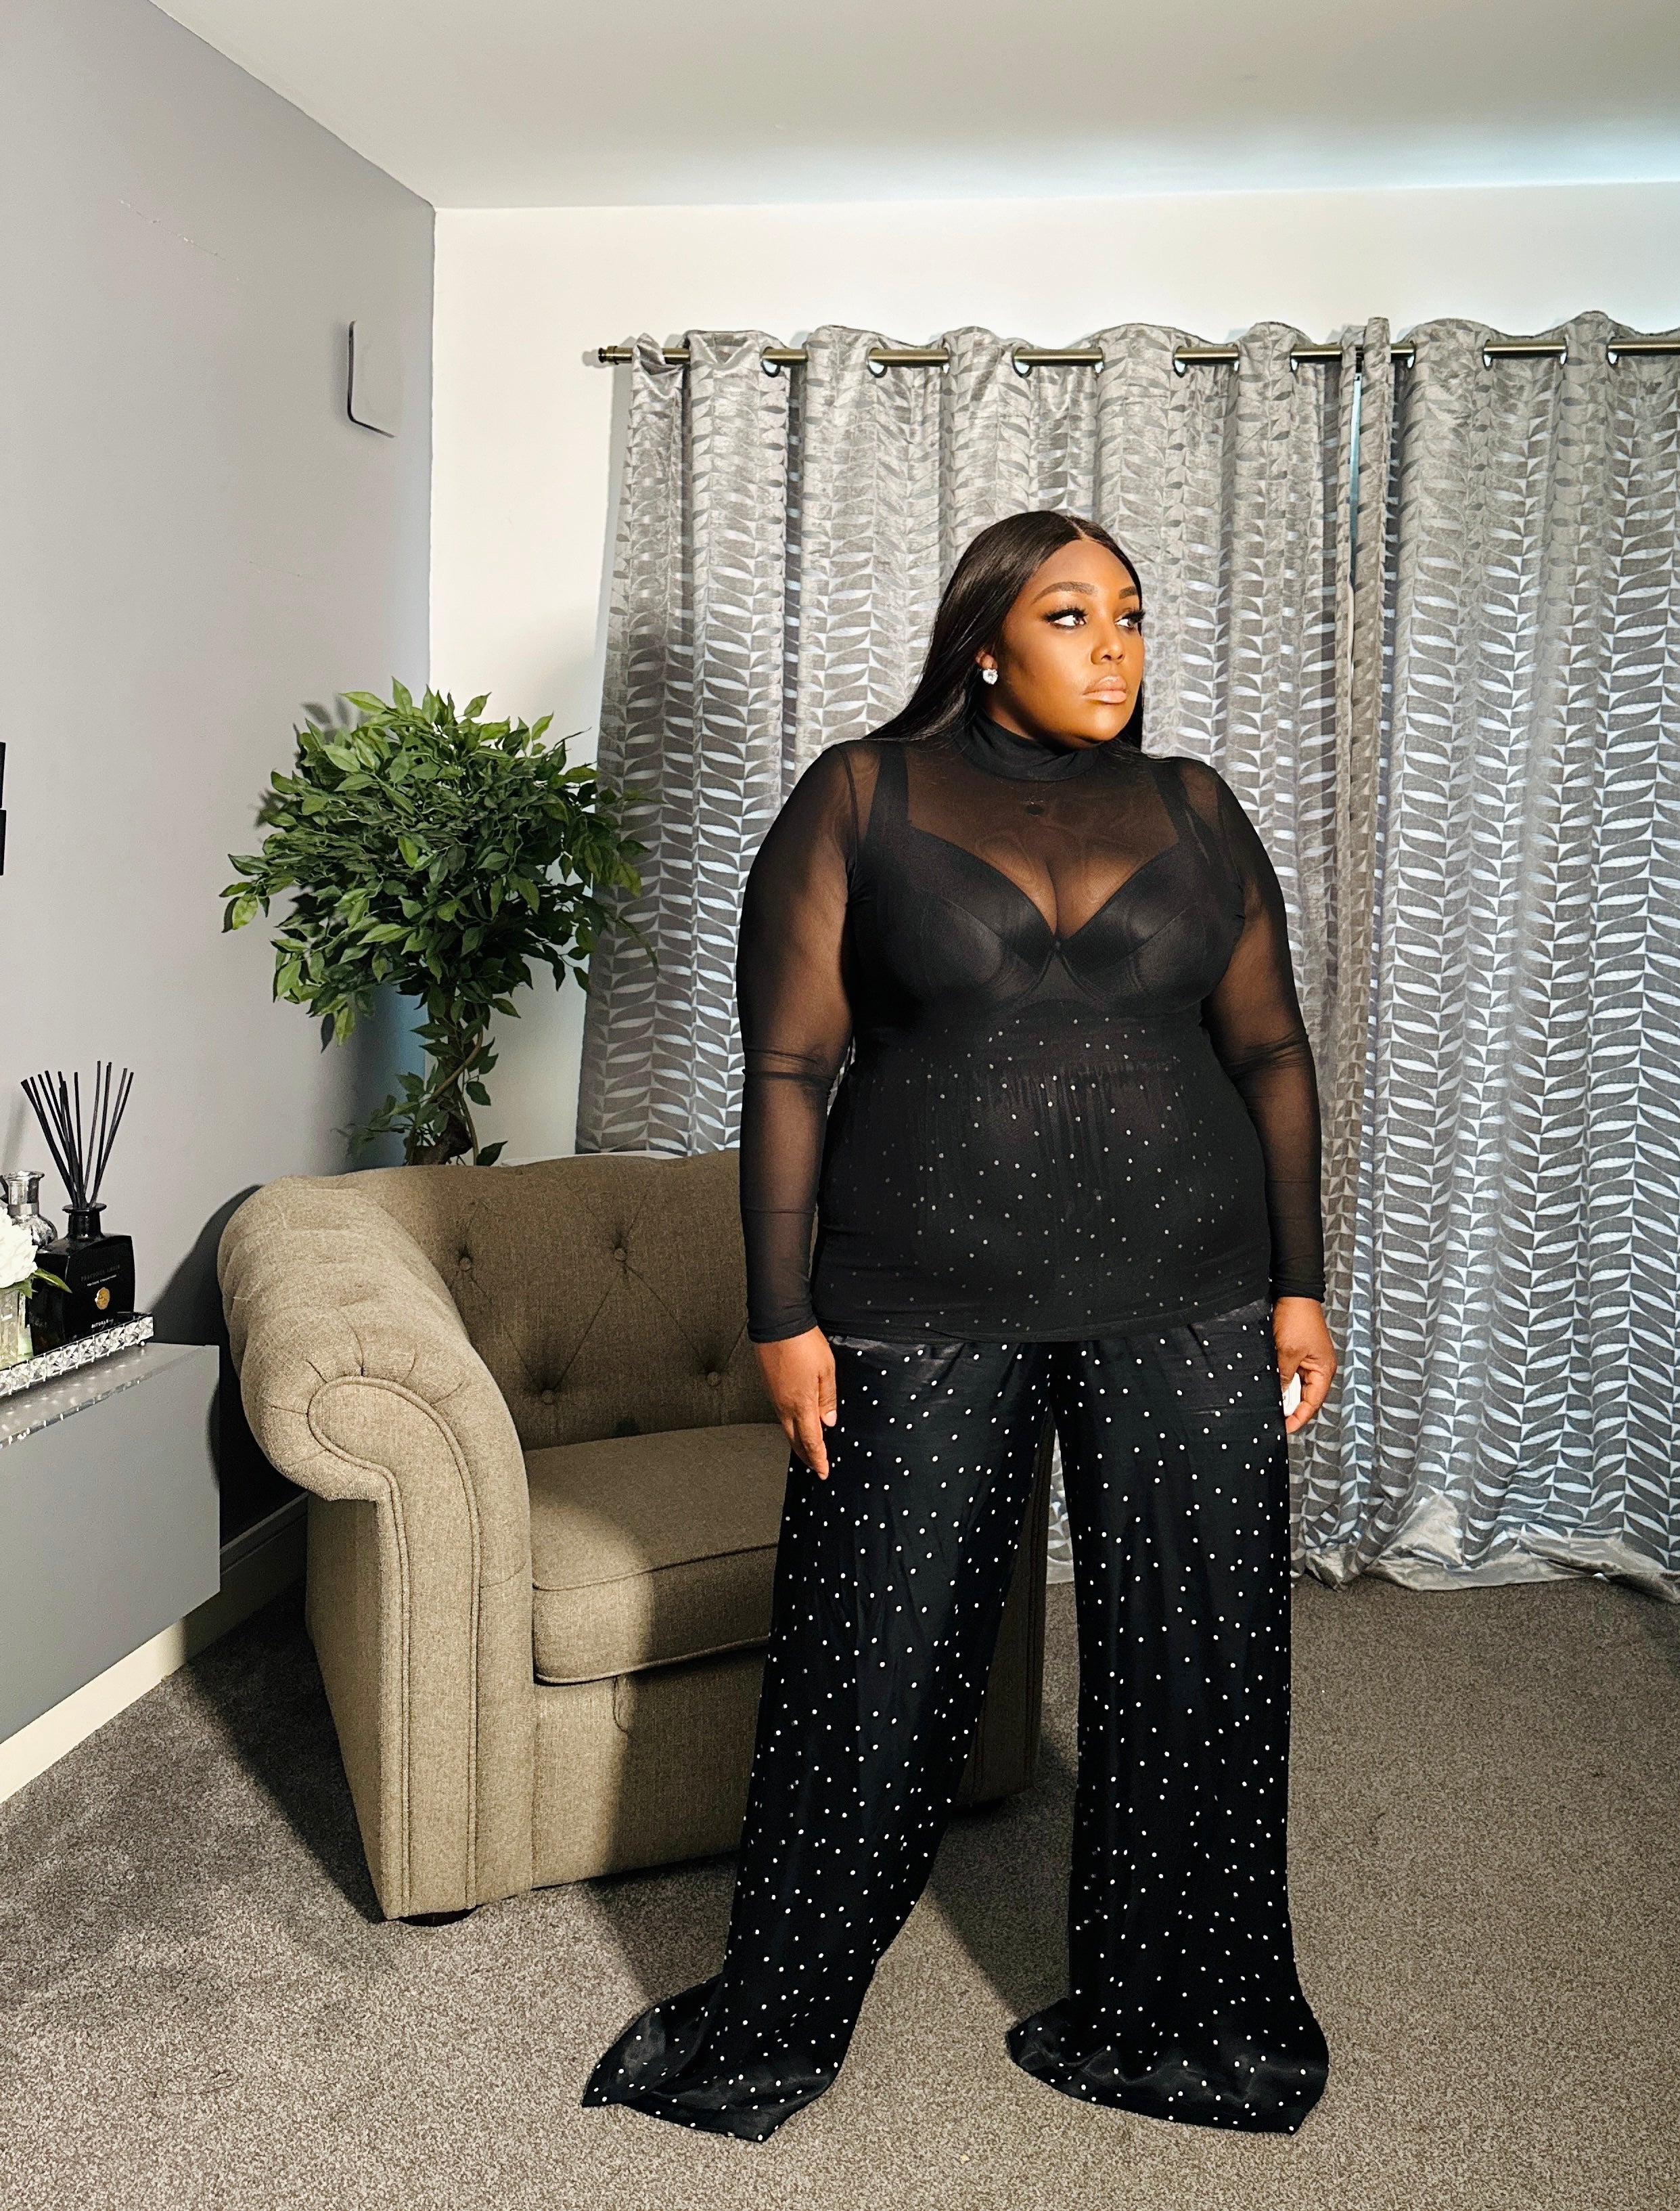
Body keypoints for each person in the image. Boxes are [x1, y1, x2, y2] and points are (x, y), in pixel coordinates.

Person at [583, 510, 1336, 2143]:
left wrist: (1302, 1280)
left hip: (1190, 1288)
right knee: (874, 1662)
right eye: (1071, 615)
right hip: (916, 1302)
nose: (1114, 645)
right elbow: (790, 1067)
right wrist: (781, 1312)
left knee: (1196, 1661)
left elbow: (1272, 1052)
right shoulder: (863, 795)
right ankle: (778, 2013)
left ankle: (1179, 2017)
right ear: (987, 641)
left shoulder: (1197, 806)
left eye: (1131, 613)